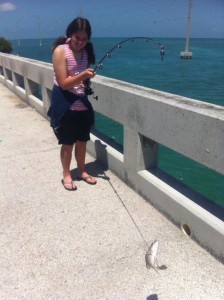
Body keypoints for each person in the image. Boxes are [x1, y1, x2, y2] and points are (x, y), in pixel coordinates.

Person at [48, 17, 97, 191]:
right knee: (67, 143)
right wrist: (84, 75)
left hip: (82, 104)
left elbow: (79, 80)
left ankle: (82, 171)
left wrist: (85, 79)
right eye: (77, 38)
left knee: (82, 141)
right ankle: (66, 174)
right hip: (66, 105)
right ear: (70, 34)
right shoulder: (60, 51)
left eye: (85, 39)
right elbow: (63, 83)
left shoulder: (85, 53)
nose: (81, 42)